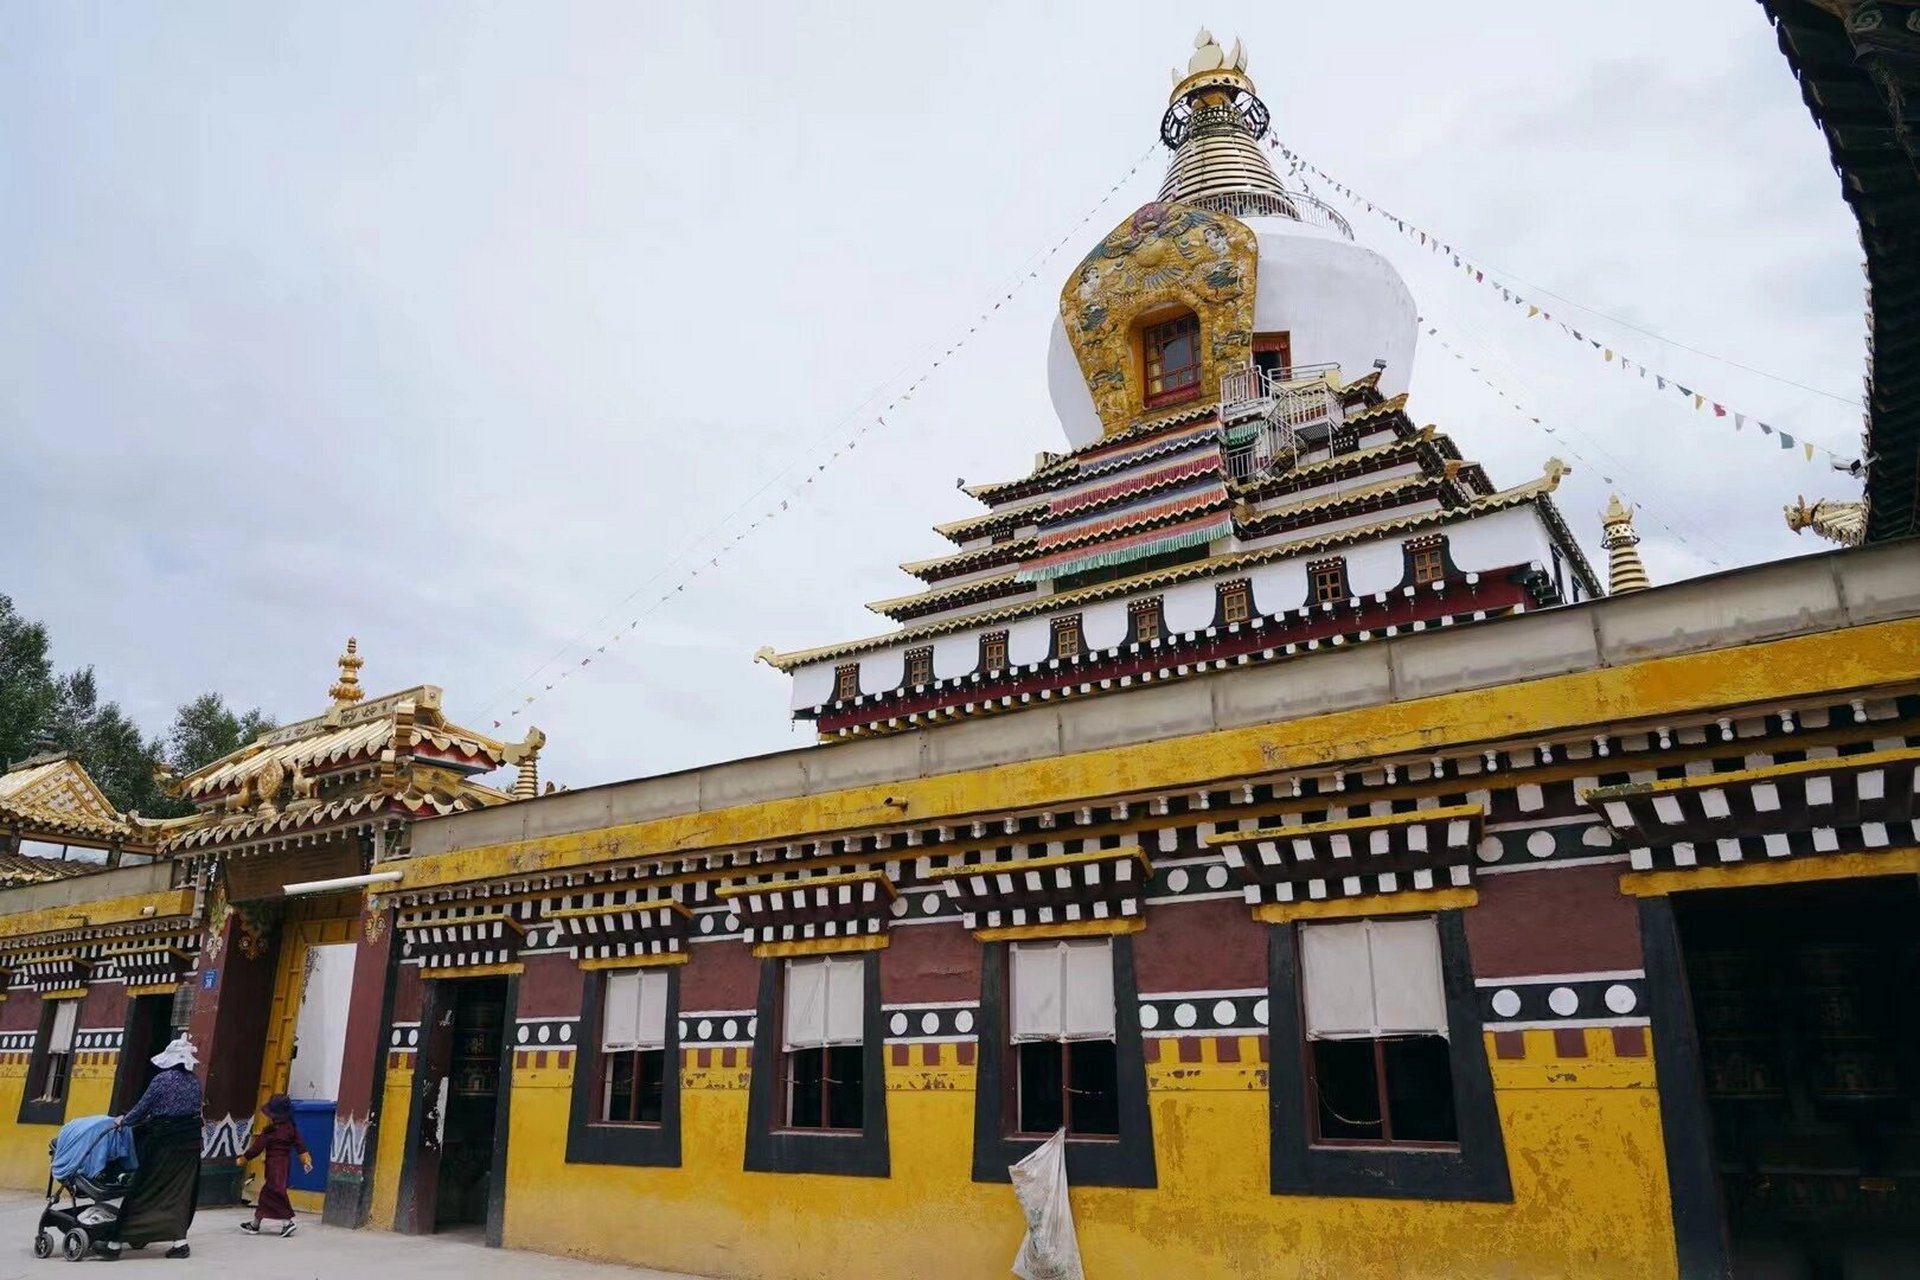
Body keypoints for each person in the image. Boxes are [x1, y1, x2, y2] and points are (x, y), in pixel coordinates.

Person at [102, 1035, 204, 1261]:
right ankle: (180, 1243)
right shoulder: (194, 1081)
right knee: (179, 1192)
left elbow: (142, 1109)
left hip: (164, 1143)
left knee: (142, 1188)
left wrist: (123, 1120)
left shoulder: (162, 1080)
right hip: (190, 1143)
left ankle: (114, 1243)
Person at [236, 1094, 311, 1237]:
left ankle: (287, 1222)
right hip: (285, 1164)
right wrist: (306, 1160)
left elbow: (256, 1149)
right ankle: (255, 1224)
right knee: (268, 1193)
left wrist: (244, 1158)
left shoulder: (269, 1132)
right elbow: (300, 1145)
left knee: (276, 1192)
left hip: (274, 1166)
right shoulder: (291, 1128)